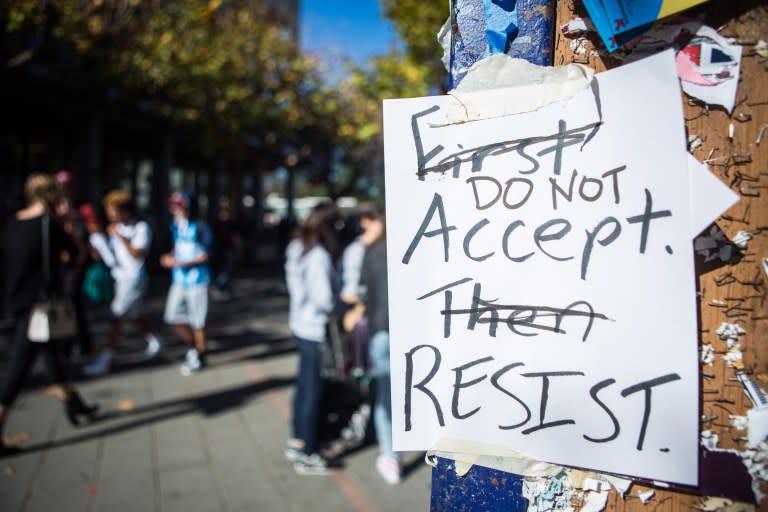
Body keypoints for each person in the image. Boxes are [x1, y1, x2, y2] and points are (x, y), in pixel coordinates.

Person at [1, 173, 98, 456]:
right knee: (19, 368)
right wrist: (68, 224)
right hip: (39, 306)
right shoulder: (48, 225)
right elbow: (78, 255)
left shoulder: (13, 222)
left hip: (18, 300)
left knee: (50, 354)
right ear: (51, 196)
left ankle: (73, 403)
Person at [284, 203, 340, 475]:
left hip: (299, 324)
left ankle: (297, 438)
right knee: (313, 390)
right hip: (315, 329)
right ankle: (308, 452)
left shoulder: (296, 247)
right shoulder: (318, 255)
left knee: (303, 384)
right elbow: (324, 299)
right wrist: (340, 305)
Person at [82, 190, 162, 376]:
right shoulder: (113, 228)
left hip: (134, 278)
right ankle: (155, 340)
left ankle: (105, 359)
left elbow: (137, 254)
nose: (110, 215)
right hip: (120, 278)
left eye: (113, 211)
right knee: (134, 313)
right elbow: (109, 256)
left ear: (125, 210)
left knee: (117, 316)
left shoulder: (140, 228)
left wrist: (120, 237)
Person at [359, 210, 400, 484]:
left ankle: (390, 455)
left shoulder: (372, 252)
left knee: (387, 396)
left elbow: (364, 293)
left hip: (381, 329)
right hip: (405, 330)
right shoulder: (418, 249)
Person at [159, 191, 213, 376]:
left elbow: (206, 253)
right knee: (172, 316)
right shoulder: (175, 226)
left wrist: (185, 262)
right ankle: (195, 348)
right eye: (173, 205)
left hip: (198, 280)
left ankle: (200, 353)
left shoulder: (199, 226)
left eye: (178, 204)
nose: (174, 208)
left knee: (198, 320)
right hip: (179, 280)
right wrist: (168, 257)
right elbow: (176, 248)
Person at [53, 170, 94, 358]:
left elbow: (91, 236)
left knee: (72, 301)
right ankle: (68, 343)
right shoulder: (53, 208)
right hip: (59, 263)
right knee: (64, 302)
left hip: (77, 262)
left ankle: (79, 342)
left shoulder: (82, 210)